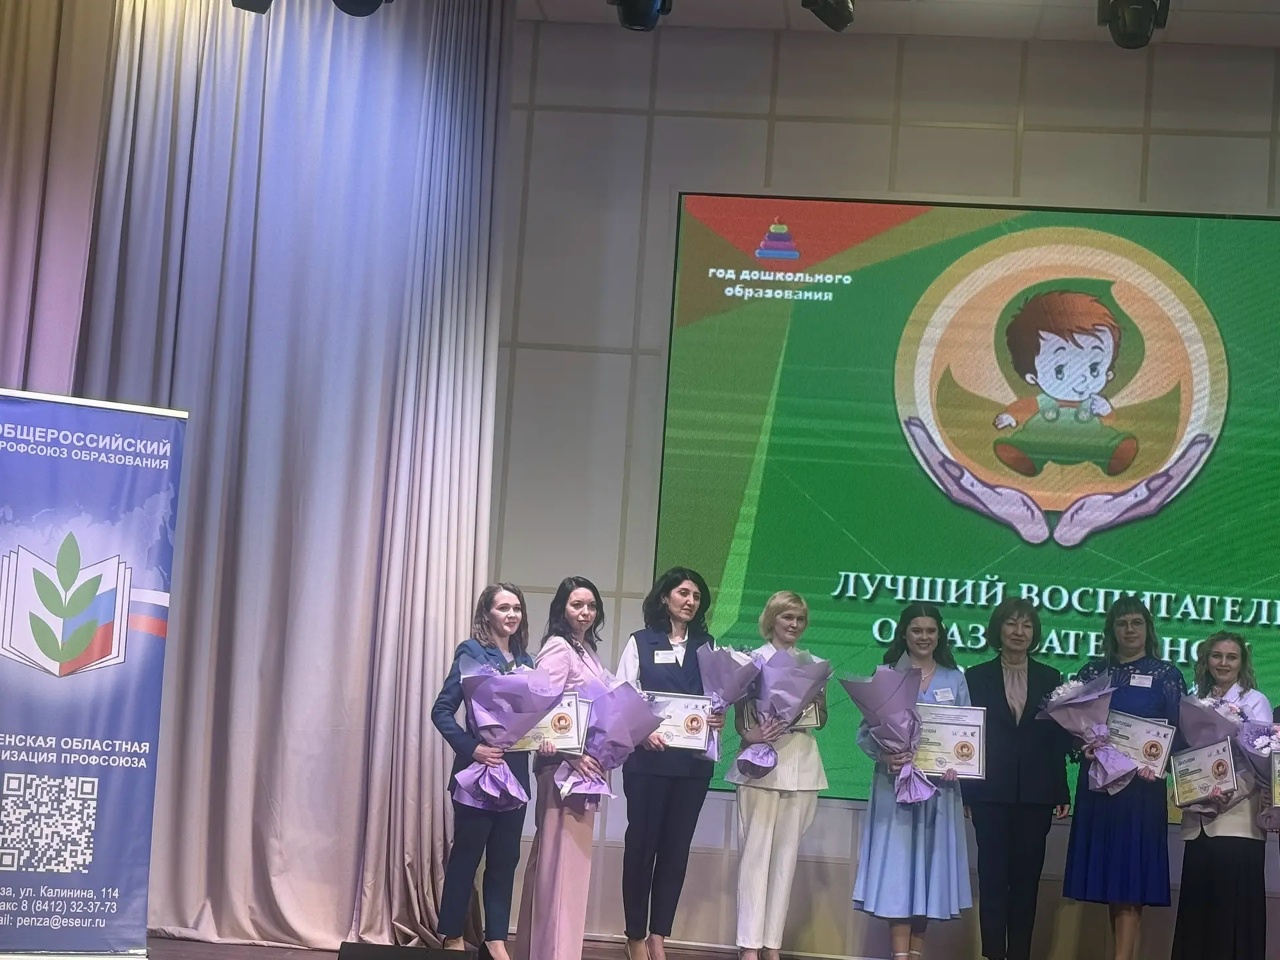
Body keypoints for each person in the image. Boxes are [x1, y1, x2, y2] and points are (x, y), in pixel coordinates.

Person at [1062, 596, 1187, 960]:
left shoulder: (1166, 675)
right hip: (1100, 786)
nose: (1130, 630)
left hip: (1141, 789)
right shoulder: (1092, 673)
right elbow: (1073, 732)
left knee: (1131, 878)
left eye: (1136, 622)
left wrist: (1160, 764)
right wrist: (1082, 746)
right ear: (1111, 630)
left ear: (1148, 629)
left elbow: (1180, 733)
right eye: (1122, 623)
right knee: (1111, 877)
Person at [616, 567, 724, 960]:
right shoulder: (641, 642)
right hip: (648, 761)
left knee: (676, 851)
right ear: (665, 597)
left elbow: (717, 697)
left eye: (696, 595)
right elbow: (622, 696)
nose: (690, 601)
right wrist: (641, 730)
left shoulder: (709, 647)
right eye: (683, 593)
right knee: (641, 849)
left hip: (692, 767)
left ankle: (658, 935)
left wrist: (718, 717)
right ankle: (634, 935)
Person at [853, 602, 971, 960]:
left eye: (931, 630)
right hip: (895, 789)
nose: (924, 637)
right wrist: (885, 757)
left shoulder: (955, 678)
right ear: (904, 633)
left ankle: (915, 955)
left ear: (940, 634)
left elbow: (967, 735)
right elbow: (864, 734)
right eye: (917, 630)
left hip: (940, 790)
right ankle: (899, 956)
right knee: (900, 870)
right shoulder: (886, 675)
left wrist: (959, 764)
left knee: (928, 871)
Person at [432, 583, 541, 959]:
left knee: (505, 860)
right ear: (487, 613)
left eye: (517, 608)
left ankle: (495, 938)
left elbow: (536, 719)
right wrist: (472, 748)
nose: (512, 614)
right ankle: (451, 933)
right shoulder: (471, 651)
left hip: (515, 777)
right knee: (466, 857)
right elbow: (441, 711)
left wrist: (545, 738)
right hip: (477, 776)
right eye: (503, 608)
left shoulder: (528, 661)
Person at [960, 598, 1070, 960]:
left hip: (1036, 796)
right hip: (990, 793)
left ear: (1034, 633)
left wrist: (1061, 790)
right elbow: (967, 738)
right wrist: (967, 792)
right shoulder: (975, 677)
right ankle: (994, 954)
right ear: (998, 629)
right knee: (992, 880)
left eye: (1027, 625)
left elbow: (1055, 740)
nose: (1019, 632)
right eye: (1011, 623)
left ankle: (1020, 953)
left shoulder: (1051, 678)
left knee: (1026, 883)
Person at [512, 577, 613, 960]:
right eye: (577, 605)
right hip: (563, 768)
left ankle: (536, 950)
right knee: (561, 868)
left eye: (591, 605)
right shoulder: (558, 647)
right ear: (562, 609)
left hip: (583, 767)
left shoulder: (585, 650)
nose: (585, 612)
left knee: (557, 864)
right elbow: (539, 705)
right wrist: (572, 755)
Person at [727, 591, 827, 960]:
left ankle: (772, 945)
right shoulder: (751, 661)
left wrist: (809, 705)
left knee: (786, 858)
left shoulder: (813, 663)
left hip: (801, 762)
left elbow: (822, 718)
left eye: (800, 619)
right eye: (788, 617)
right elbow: (740, 718)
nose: (794, 625)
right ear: (772, 620)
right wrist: (751, 735)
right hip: (759, 766)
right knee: (754, 855)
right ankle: (749, 945)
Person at [1170, 631, 1271, 960]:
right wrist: (1186, 787)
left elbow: (1262, 761)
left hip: (1238, 822)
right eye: (1217, 656)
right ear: (1206, 660)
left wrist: (1228, 792)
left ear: (1242, 663)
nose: (1223, 663)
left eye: (1231, 657)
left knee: (1233, 919)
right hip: (1199, 823)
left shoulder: (1255, 701)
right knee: (1198, 919)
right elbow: (1184, 755)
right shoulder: (1193, 702)